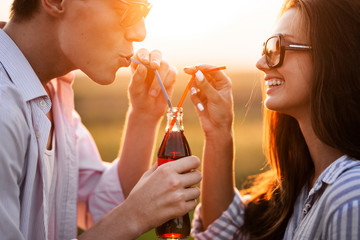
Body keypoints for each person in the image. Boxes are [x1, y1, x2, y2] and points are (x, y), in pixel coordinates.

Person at [0, 0, 202, 239]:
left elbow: (103, 211)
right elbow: (122, 216)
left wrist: (144, 116)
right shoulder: (4, 105)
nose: (140, 32)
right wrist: (134, 215)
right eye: (126, 8)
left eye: (144, 10)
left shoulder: (52, 95)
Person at [184, 0, 360, 239]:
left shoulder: (350, 196)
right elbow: (225, 233)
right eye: (266, 49)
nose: (261, 63)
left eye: (278, 47)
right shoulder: (300, 188)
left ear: (334, 57)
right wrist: (218, 130)